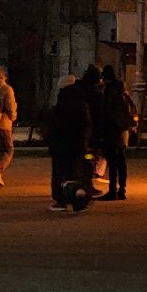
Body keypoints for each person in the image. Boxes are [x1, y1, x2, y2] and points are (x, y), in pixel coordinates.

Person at [47, 74, 94, 212]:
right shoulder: (81, 100)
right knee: (76, 173)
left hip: (62, 144)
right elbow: (86, 123)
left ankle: (61, 200)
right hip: (78, 144)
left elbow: (56, 125)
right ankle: (79, 200)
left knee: (60, 173)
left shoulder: (62, 102)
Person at [99, 64, 136, 201]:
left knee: (113, 163)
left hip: (112, 131)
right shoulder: (122, 91)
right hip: (122, 131)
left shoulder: (109, 91)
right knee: (121, 162)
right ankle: (122, 190)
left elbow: (106, 112)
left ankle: (112, 191)